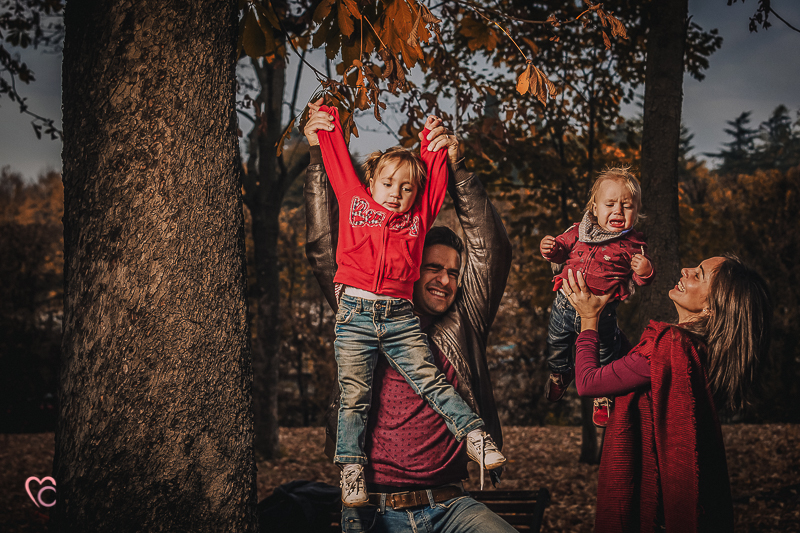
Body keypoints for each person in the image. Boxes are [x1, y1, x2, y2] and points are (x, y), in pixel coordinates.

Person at [304, 107, 517, 533]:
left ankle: (475, 439)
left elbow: (490, 250)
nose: (444, 280)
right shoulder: (354, 295)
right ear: (411, 265)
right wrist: (317, 153)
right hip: (374, 509)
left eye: (454, 273)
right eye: (434, 268)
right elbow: (326, 242)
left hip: (452, 505)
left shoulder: (464, 321)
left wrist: (451, 165)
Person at [563, 255, 772, 532]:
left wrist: (588, 319)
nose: (685, 270)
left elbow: (589, 383)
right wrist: (606, 324)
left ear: (713, 307)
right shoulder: (699, 350)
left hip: (652, 500)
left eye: (698, 275)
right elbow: (629, 369)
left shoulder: (672, 346)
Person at [540, 167, 654, 426]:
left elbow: (640, 279)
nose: (618, 211)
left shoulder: (633, 245)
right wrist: (551, 249)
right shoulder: (579, 231)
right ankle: (561, 373)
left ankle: (602, 395)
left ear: (636, 211)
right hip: (564, 305)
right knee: (557, 344)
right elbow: (560, 254)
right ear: (594, 207)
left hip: (602, 312)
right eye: (610, 204)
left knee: (605, 353)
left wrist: (645, 271)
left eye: (627, 206)